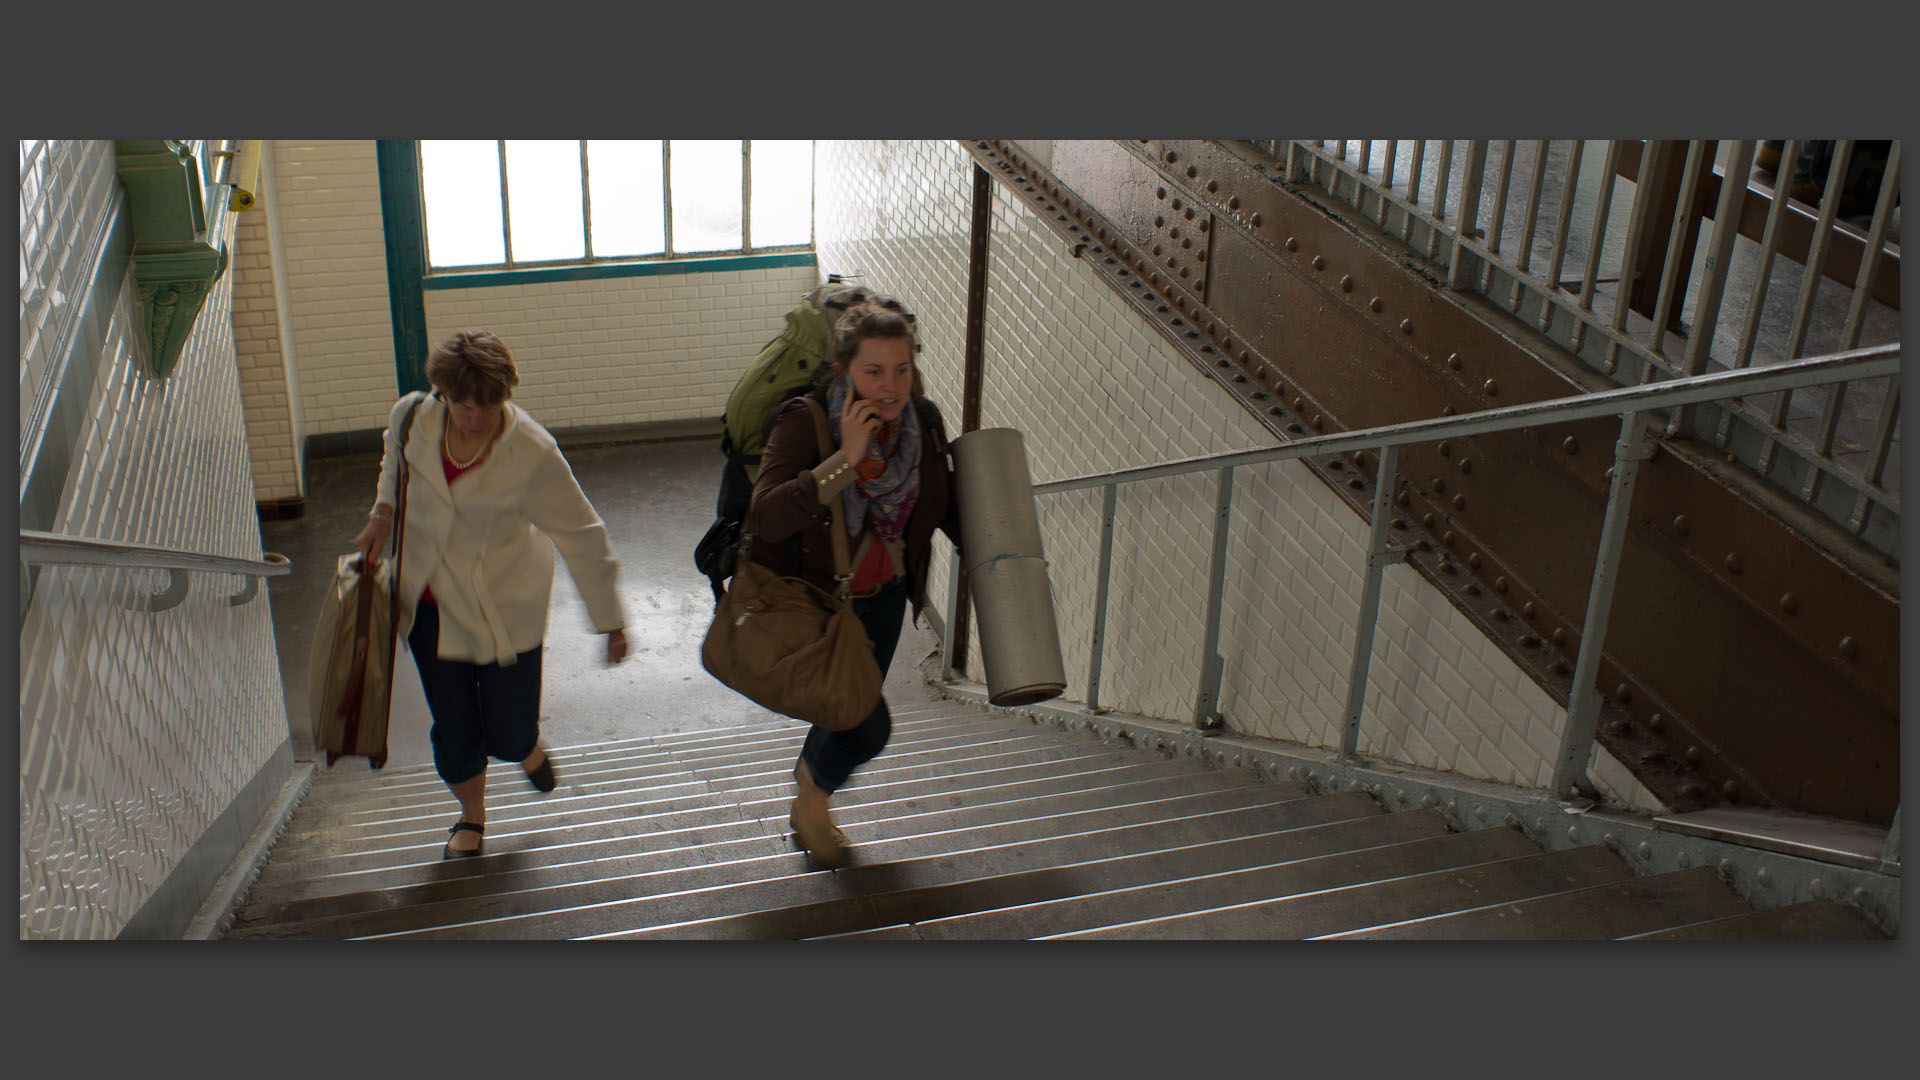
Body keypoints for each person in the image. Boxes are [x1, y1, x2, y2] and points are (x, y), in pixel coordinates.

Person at [353, 330, 630, 859]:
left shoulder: (531, 451)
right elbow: (395, 463)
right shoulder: (414, 418)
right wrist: (382, 514)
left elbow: (582, 533)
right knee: (456, 732)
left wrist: (611, 620)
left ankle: (523, 746)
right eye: (463, 405)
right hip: (431, 605)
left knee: (506, 730)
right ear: (443, 394)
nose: (475, 418)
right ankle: (472, 815)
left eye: (489, 406)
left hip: (504, 607)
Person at [745, 295, 961, 868]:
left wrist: (1005, 555)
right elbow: (766, 515)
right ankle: (812, 798)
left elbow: (942, 502)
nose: (890, 387)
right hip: (820, 604)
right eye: (873, 371)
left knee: (843, 709)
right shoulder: (806, 421)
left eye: (901, 369)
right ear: (843, 370)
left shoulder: (923, 423)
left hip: (886, 598)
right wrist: (845, 458)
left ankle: (812, 780)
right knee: (866, 728)